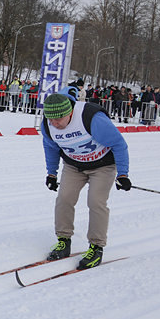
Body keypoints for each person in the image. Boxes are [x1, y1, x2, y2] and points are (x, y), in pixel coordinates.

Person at [41, 92, 131, 270]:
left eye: (58, 119)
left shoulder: (92, 119)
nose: (54, 123)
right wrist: (51, 174)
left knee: (96, 202)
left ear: (70, 112)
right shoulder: (48, 125)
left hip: (102, 166)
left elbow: (119, 144)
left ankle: (96, 247)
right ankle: (64, 240)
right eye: (51, 119)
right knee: (64, 198)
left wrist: (123, 174)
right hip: (74, 165)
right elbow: (50, 147)